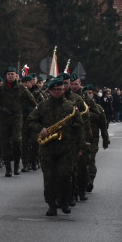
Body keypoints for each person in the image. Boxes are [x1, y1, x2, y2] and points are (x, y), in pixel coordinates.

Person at [27, 76, 86, 216]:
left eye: (60, 89)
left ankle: (64, 200)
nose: (58, 92)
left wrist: (81, 147)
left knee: (65, 176)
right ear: (49, 91)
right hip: (47, 148)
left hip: (66, 147)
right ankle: (51, 205)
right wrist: (41, 128)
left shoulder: (70, 106)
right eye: (54, 90)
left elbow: (80, 127)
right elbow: (30, 121)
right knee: (49, 178)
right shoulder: (43, 105)